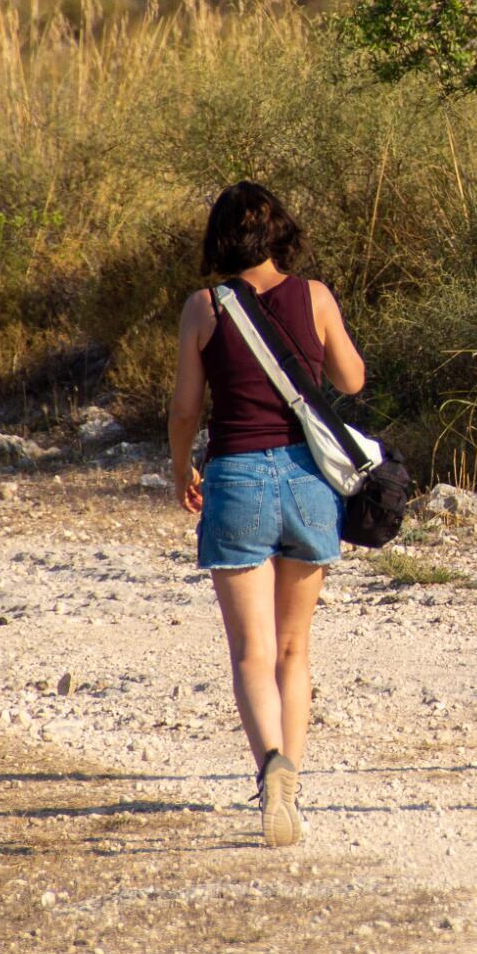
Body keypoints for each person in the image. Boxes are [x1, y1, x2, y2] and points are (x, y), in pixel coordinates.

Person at [168, 181, 368, 848]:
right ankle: (294, 784)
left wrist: (181, 468)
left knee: (251, 651)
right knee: (292, 648)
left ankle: (271, 768)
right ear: (280, 230)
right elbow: (352, 380)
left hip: (236, 479)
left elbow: (186, 409)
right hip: (309, 481)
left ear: (221, 237)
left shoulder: (204, 307)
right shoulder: (315, 296)